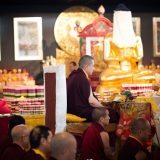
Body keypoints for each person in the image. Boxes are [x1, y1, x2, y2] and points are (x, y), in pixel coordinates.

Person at [67, 55, 104, 121]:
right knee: (111, 113)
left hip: (70, 110)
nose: (94, 68)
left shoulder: (73, 76)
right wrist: (103, 107)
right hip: (80, 112)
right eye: (92, 66)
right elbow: (91, 101)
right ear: (86, 66)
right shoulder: (82, 78)